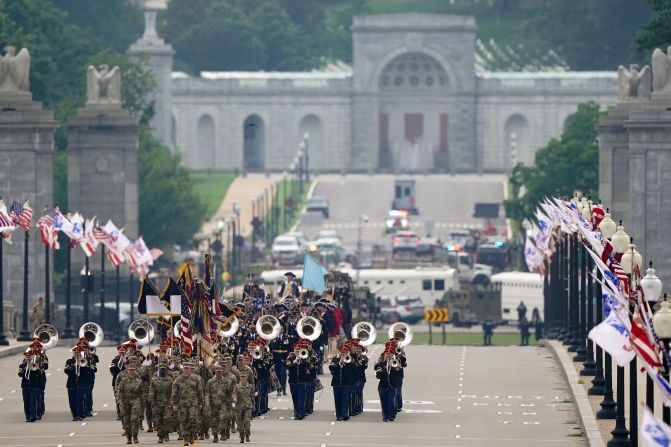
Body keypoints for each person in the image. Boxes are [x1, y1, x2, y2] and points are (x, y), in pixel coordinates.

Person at [171, 361, 204, 447]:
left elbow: (200, 392)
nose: (186, 370)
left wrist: (201, 403)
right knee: (183, 420)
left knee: (193, 419)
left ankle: (192, 435)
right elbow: (174, 393)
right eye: (185, 369)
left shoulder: (196, 379)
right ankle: (186, 438)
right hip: (182, 404)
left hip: (193, 404)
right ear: (182, 370)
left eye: (188, 369)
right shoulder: (178, 380)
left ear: (190, 370)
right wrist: (174, 404)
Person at [206, 364, 236, 443]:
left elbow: (229, 393)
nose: (218, 373)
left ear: (222, 372)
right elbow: (207, 393)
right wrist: (207, 402)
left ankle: (223, 433)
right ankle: (215, 435)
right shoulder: (210, 381)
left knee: (223, 418)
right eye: (217, 372)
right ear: (215, 372)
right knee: (214, 420)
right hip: (213, 404)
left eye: (220, 372)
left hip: (223, 403)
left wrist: (230, 403)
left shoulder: (226, 381)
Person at [375, 348, 402, 422]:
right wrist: (381, 370)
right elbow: (378, 376)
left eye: (390, 354)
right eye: (387, 354)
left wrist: (395, 367)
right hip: (383, 386)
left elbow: (398, 374)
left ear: (392, 355)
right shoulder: (381, 364)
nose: (388, 356)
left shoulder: (395, 363)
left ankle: (391, 416)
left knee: (391, 401)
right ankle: (385, 416)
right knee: (384, 402)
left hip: (392, 385)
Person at [117, 364, 143, 444]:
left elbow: (141, 393)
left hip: (135, 400)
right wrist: (120, 401)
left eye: (133, 370)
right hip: (126, 401)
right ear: (127, 371)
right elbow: (120, 392)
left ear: (135, 371)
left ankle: (135, 436)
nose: (131, 372)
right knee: (127, 419)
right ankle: (129, 437)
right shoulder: (123, 381)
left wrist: (142, 404)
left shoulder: (138, 381)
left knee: (135, 419)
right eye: (130, 370)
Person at [149, 362, 174, 444]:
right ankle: (160, 436)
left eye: (164, 369)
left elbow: (173, 392)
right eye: (161, 369)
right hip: (157, 402)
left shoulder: (170, 380)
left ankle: (166, 433)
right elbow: (152, 390)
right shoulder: (154, 380)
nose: (162, 370)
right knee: (158, 420)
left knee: (167, 419)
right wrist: (151, 400)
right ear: (159, 369)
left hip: (167, 402)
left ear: (166, 370)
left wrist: (172, 402)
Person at [329, 345, 354, 421]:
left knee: (345, 398)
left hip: (347, 383)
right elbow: (331, 368)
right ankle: (339, 415)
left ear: (347, 353)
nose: (343, 354)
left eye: (344, 353)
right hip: (336, 383)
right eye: (341, 352)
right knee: (337, 399)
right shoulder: (335, 359)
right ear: (339, 352)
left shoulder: (350, 360)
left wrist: (347, 363)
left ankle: (345, 414)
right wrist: (339, 363)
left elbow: (353, 370)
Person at [286, 343, 311, 420]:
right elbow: (287, 365)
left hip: (302, 381)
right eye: (296, 350)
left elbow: (309, 365)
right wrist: (294, 361)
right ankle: (297, 412)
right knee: (295, 397)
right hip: (293, 381)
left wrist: (302, 360)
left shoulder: (305, 357)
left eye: (298, 350)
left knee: (302, 397)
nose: (297, 352)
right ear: (293, 351)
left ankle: (301, 413)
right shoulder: (290, 358)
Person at [19, 350, 41, 422]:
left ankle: (33, 416)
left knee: (32, 401)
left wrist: (35, 367)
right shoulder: (22, 366)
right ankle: (27, 417)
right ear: (25, 357)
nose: (28, 358)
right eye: (26, 357)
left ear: (32, 357)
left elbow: (38, 374)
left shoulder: (34, 364)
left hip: (33, 385)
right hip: (25, 386)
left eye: (29, 356)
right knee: (26, 402)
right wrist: (26, 369)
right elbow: (20, 374)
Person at [235, 372, 254, 443]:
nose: (243, 378)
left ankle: (247, 435)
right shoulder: (237, 387)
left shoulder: (250, 387)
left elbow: (252, 397)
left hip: (248, 406)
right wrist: (234, 399)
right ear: (240, 377)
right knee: (239, 423)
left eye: (244, 377)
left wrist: (253, 405)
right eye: (242, 377)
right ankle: (242, 436)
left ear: (247, 377)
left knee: (247, 421)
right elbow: (234, 395)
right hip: (239, 407)